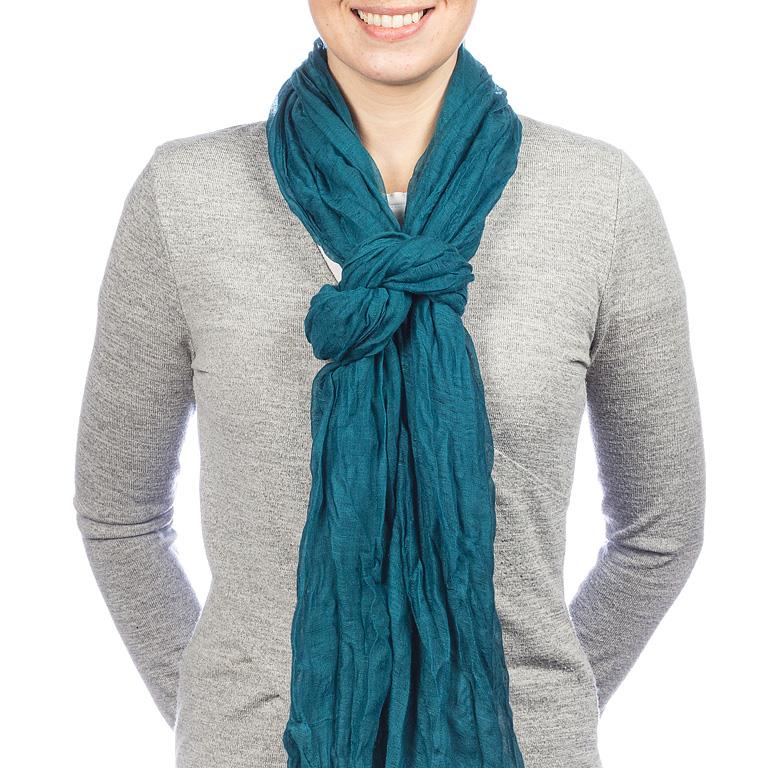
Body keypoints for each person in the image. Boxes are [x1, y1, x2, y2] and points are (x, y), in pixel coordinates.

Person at [72, 2, 706, 767]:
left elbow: (660, 532)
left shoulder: (600, 199)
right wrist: (218, 713)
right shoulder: (184, 196)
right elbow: (119, 515)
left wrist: (543, 709)